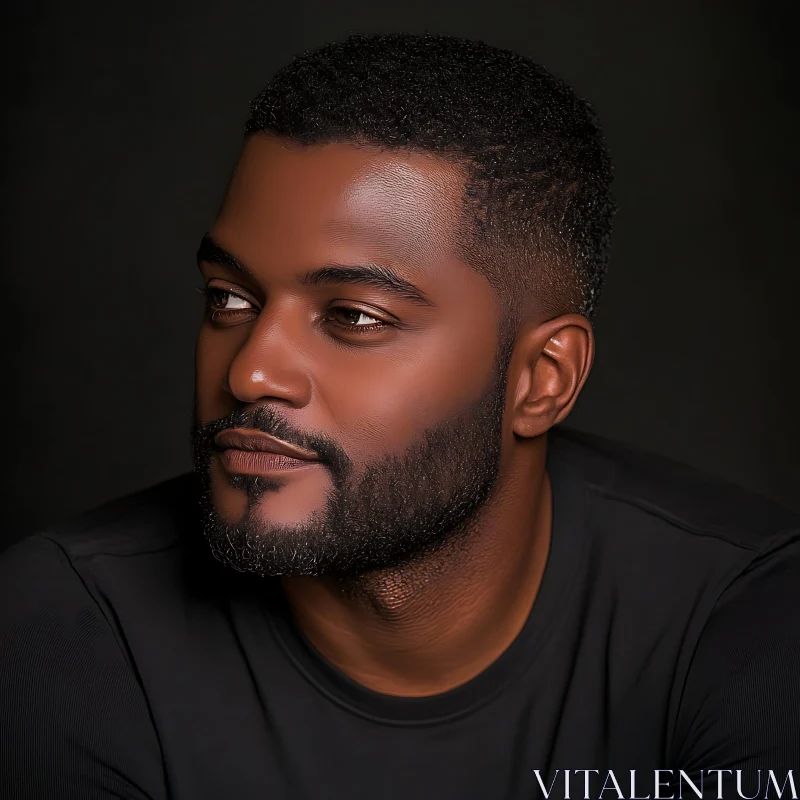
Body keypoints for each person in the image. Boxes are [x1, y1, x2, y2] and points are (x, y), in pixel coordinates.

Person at [1, 32, 798, 800]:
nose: (250, 370)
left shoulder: (747, 619)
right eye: (230, 299)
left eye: (353, 316)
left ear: (540, 380)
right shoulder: (66, 628)